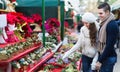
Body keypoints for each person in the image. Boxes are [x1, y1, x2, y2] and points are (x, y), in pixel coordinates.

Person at [95, 3, 119, 72]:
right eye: (98, 13)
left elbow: (109, 45)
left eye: (101, 13)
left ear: (107, 12)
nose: (99, 15)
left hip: (108, 58)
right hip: (104, 56)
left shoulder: (112, 25)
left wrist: (100, 61)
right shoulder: (104, 23)